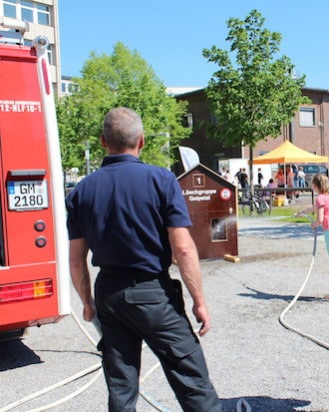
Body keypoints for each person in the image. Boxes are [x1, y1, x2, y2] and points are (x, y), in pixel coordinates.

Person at [66, 108, 221, 411]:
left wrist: (87, 302)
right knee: (191, 380)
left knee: (121, 387)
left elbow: (76, 261)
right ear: (142, 141)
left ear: (102, 142)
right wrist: (199, 300)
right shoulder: (161, 180)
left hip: (109, 293)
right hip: (152, 292)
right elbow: (184, 250)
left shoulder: (81, 191)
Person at [297, 174, 329, 303]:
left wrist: (313, 224)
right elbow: (314, 208)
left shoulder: (320, 198)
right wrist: (302, 212)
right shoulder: (328, 197)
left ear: (315, 186)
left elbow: (320, 219)